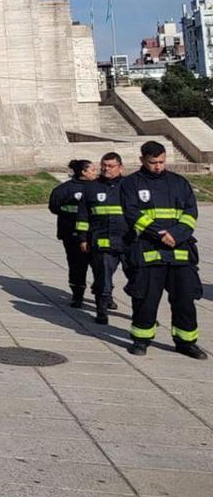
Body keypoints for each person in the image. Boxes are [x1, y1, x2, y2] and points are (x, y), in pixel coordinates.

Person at [120, 141, 205, 359]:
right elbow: (132, 214)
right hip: (149, 252)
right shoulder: (131, 184)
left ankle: (186, 342)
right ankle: (141, 339)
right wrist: (160, 234)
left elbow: (190, 213)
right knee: (145, 300)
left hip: (180, 251)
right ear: (142, 160)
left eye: (161, 162)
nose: (158, 166)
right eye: (153, 162)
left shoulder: (179, 182)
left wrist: (176, 235)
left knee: (185, 300)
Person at [76, 152, 128, 325]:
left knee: (139, 280)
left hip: (129, 241)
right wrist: (83, 238)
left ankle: (143, 314)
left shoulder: (130, 186)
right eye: (104, 165)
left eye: (111, 166)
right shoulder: (91, 187)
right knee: (102, 279)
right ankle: (102, 311)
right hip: (102, 240)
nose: (106, 169)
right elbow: (83, 215)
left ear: (120, 167)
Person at [49, 159, 97, 308]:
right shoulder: (64, 189)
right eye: (93, 170)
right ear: (83, 172)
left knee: (101, 266)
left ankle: (104, 295)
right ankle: (77, 295)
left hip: (96, 234)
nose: (96, 172)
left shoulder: (100, 188)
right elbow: (54, 207)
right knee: (77, 266)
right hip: (72, 234)